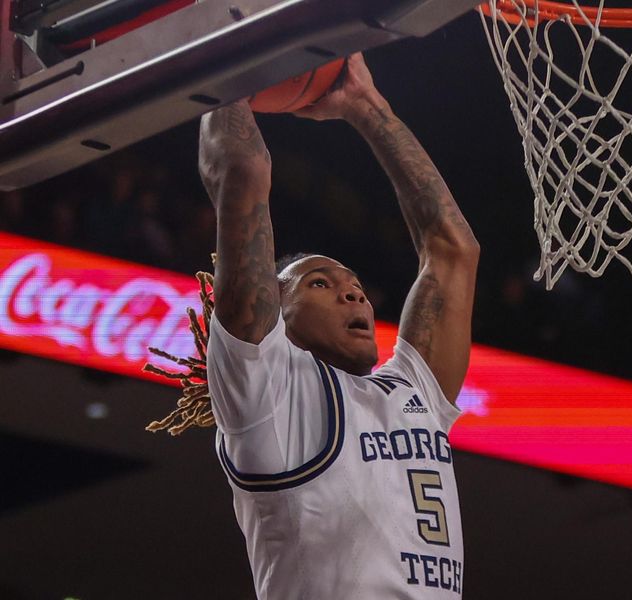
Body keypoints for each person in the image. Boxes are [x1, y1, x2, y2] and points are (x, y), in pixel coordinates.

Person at [198, 53, 479, 598]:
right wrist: (219, 61)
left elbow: (453, 250)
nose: (353, 291)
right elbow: (243, 170)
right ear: (276, 313)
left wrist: (367, 107)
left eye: (353, 283)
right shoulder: (268, 391)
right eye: (318, 284)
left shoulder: (409, 392)